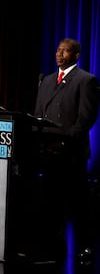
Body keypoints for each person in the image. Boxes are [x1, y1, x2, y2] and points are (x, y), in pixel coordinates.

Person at [31, 38, 99, 261]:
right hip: (48, 151)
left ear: (76, 56)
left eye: (66, 51)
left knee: (78, 204)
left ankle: (85, 247)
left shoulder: (86, 80)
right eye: (58, 50)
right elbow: (38, 114)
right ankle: (52, 247)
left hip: (71, 153)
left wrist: (66, 141)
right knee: (51, 203)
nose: (59, 54)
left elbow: (86, 117)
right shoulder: (47, 80)